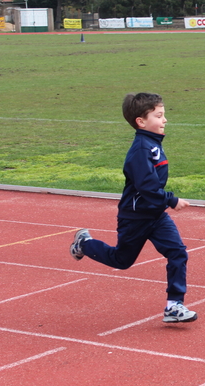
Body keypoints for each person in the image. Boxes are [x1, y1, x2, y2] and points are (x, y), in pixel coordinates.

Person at [70, 92, 196, 323]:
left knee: (177, 252)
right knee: (122, 260)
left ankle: (174, 305)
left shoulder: (152, 144)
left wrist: (163, 203)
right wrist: (171, 200)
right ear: (141, 121)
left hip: (156, 216)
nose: (165, 120)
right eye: (159, 115)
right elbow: (146, 185)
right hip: (135, 217)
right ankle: (84, 243)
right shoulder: (140, 150)